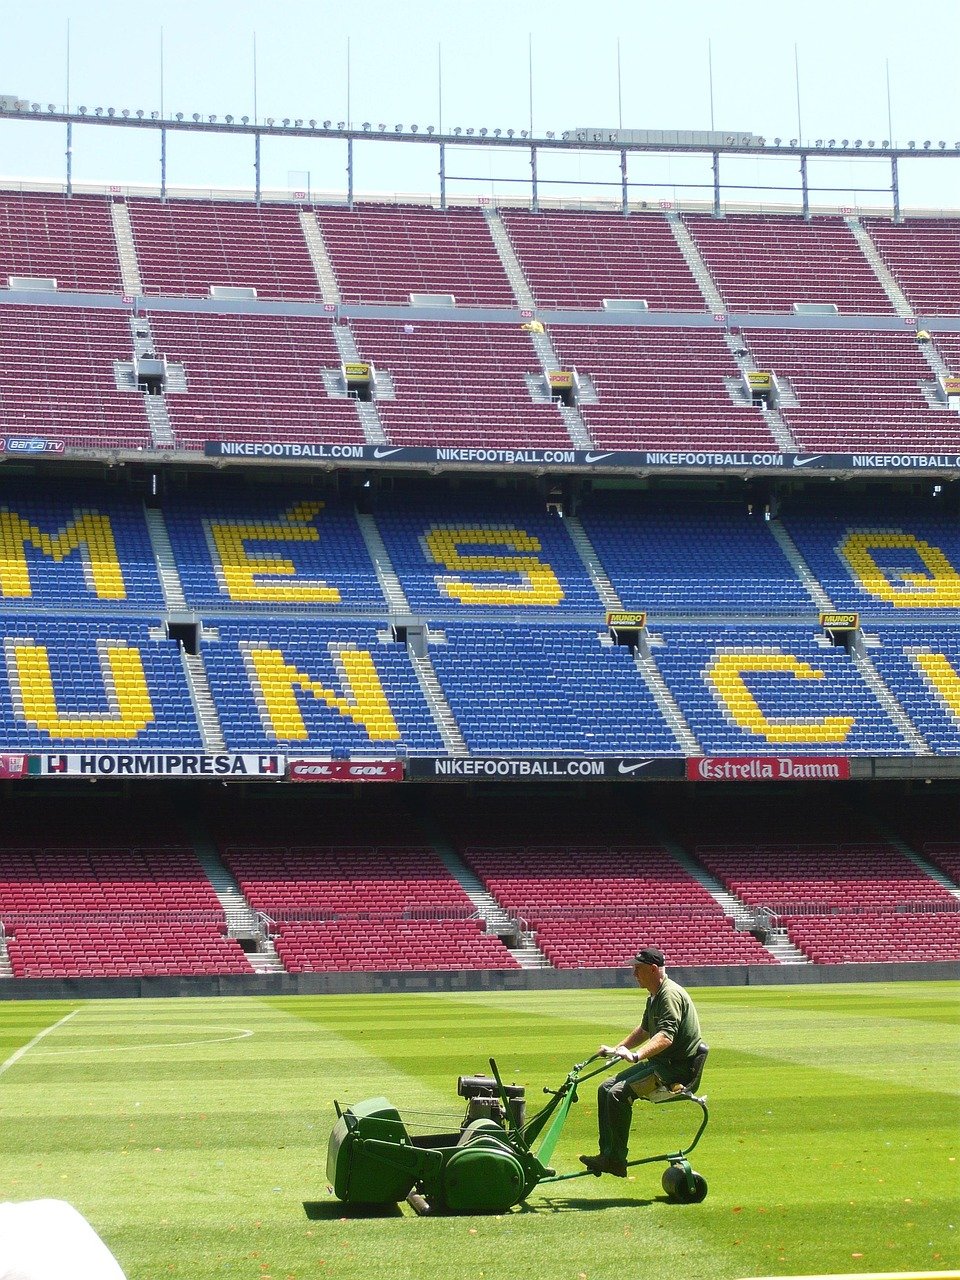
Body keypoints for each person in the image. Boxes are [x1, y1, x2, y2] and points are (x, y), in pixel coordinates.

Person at [579, 947, 706, 1178]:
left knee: (618, 1094)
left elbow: (666, 1037)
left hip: (675, 1071)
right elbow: (645, 1029)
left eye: (637, 969)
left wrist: (637, 1055)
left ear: (653, 969)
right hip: (660, 1064)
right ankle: (607, 1153)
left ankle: (616, 1160)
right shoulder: (655, 995)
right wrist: (619, 1048)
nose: (634, 974)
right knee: (604, 1088)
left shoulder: (669, 995)